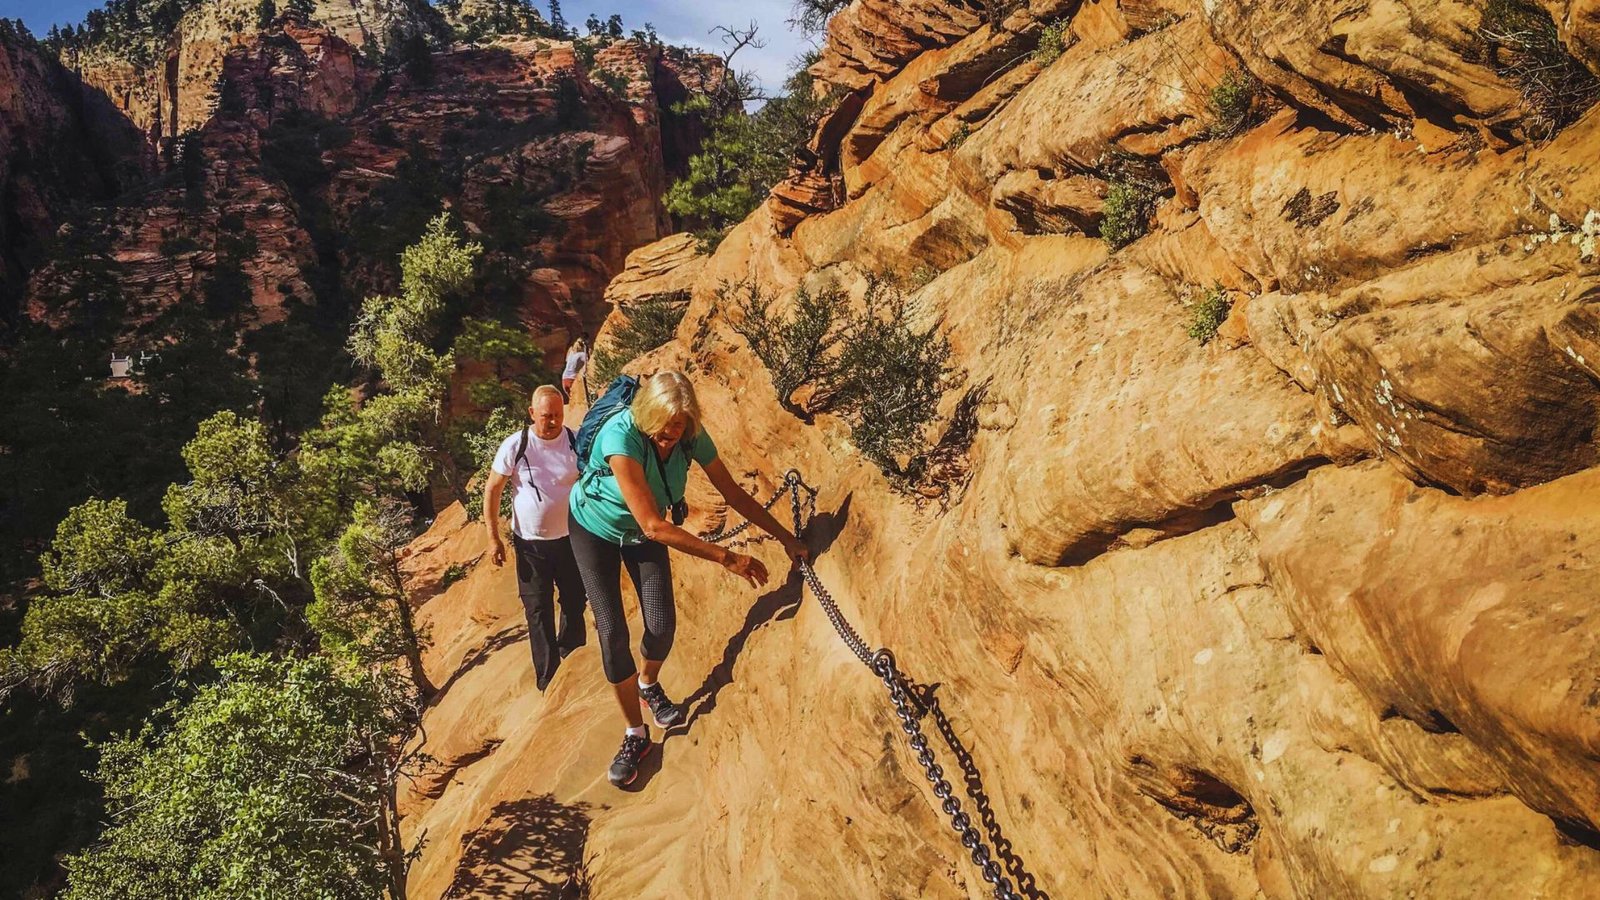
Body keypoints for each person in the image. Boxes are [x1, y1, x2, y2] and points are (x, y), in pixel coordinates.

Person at [568, 372, 809, 786]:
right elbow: (653, 526)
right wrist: (726, 557)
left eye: (678, 427)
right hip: (594, 528)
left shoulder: (692, 435)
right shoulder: (620, 438)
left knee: (661, 626)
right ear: (645, 415)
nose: (670, 435)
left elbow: (733, 493)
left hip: (642, 531)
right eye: (663, 427)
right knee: (612, 634)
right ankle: (635, 734)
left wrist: (787, 538)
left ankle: (648, 683)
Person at [483, 385, 588, 691]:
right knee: (537, 608)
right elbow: (492, 490)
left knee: (573, 600)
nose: (552, 421)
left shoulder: (575, 441)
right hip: (530, 544)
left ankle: (572, 657)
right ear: (532, 414)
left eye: (557, 414)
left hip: (572, 538)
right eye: (545, 416)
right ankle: (548, 676)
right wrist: (493, 537)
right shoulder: (516, 445)